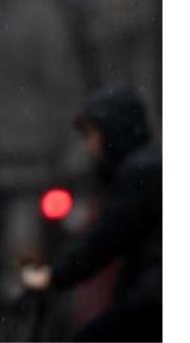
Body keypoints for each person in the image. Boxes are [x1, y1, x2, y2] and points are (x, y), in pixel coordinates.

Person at [21, 85, 161, 341]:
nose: (89, 146)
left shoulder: (140, 172)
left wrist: (55, 276)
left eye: (91, 135)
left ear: (113, 133)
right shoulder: (149, 166)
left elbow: (104, 240)